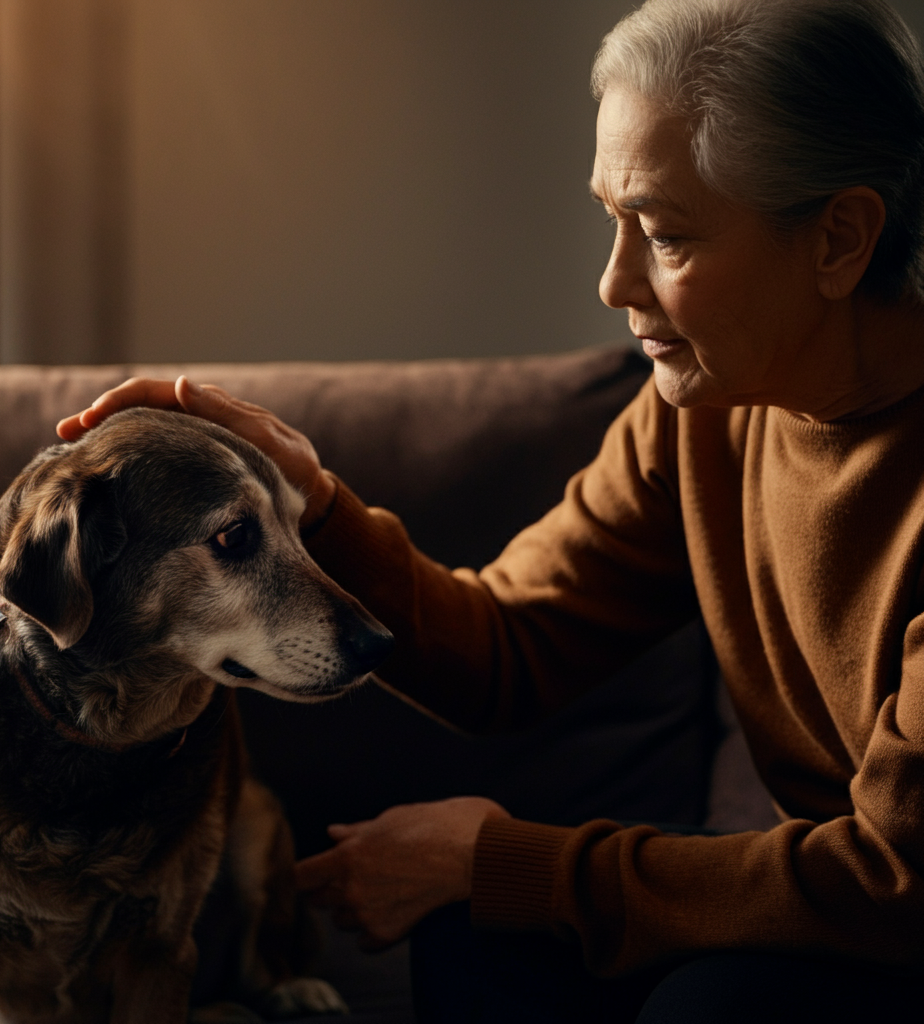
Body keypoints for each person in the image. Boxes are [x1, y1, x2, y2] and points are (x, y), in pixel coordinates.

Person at [58, 0, 924, 1019]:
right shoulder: (705, 410)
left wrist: (505, 859)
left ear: (840, 239)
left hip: (891, 912)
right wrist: (312, 501)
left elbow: (893, 881)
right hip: (853, 907)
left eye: (667, 235)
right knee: (482, 933)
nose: (611, 283)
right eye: (613, 220)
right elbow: (510, 645)